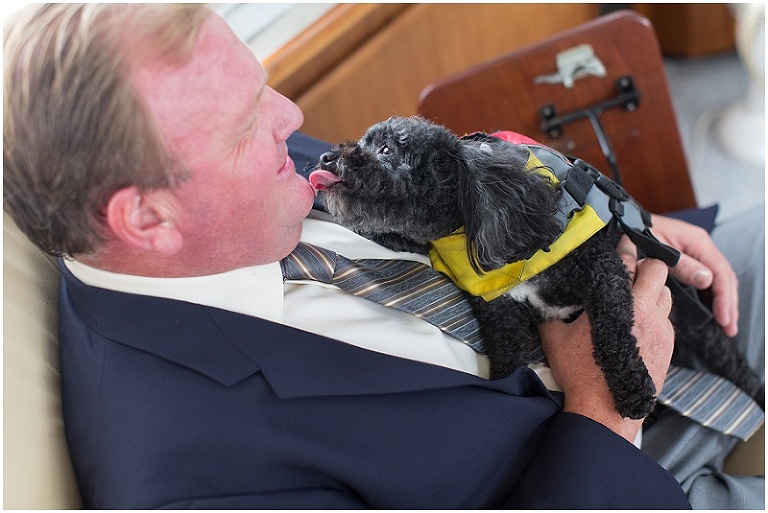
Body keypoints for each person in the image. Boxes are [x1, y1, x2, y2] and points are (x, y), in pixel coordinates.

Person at [3, 4, 763, 509]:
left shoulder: (231, 184)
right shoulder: (188, 480)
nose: (291, 118)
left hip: (614, 292)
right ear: (145, 217)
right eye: (244, 126)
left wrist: (608, 219)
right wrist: (604, 414)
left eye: (261, 89)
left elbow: (443, 191)